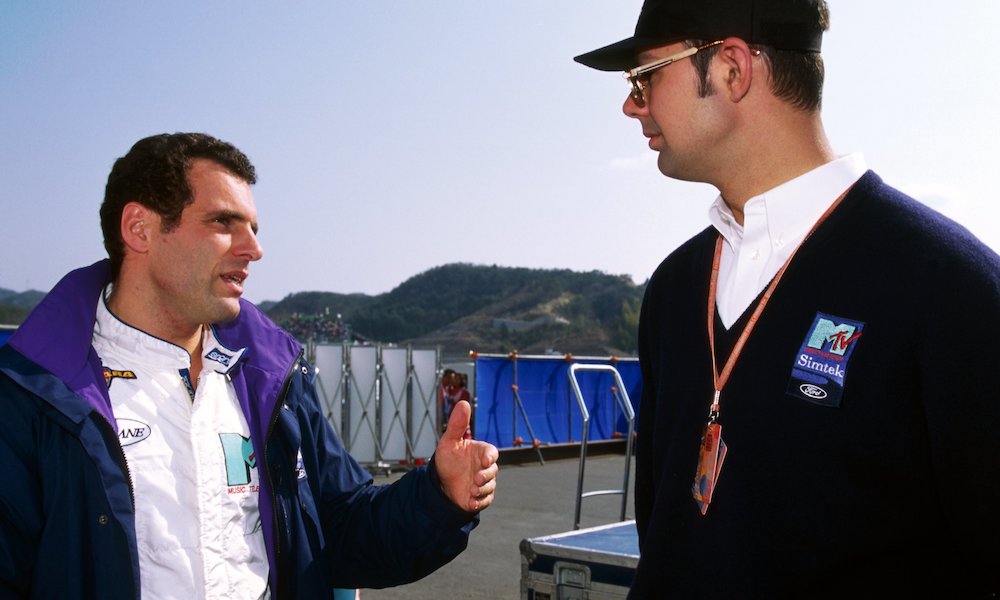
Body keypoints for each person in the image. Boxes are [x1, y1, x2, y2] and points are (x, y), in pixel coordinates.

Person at [575, 0, 1000, 597]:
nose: (631, 104)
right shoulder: (674, 287)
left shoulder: (952, 288)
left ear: (732, 68)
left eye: (645, 77)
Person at [0, 133, 499, 599]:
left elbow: (341, 530)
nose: (254, 249)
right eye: (223, 222)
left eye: (253, 229)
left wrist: (440, 495)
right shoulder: (32, 395)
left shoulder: (271, 376)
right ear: (140, 228)